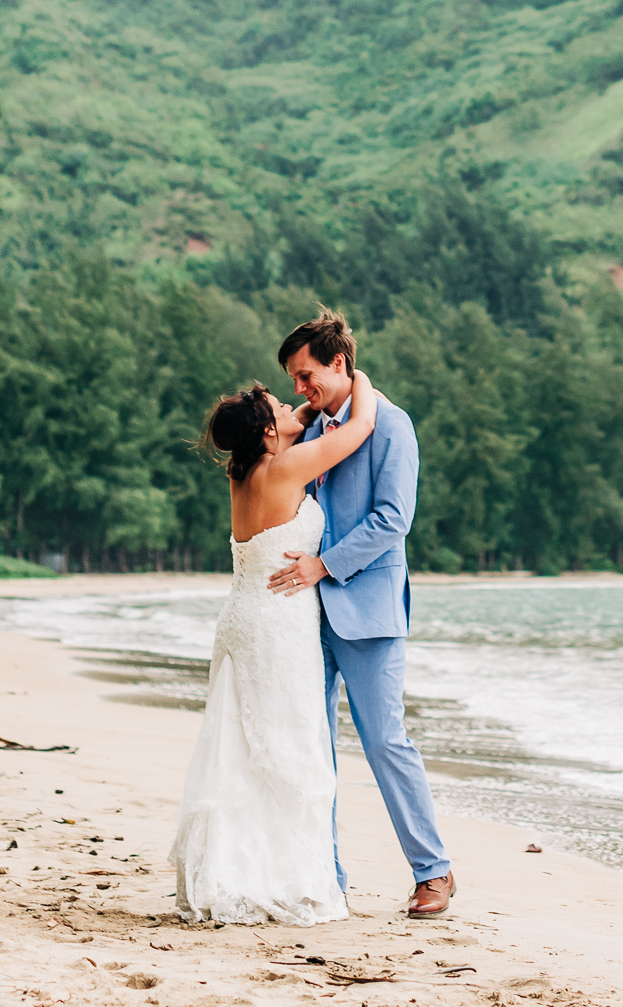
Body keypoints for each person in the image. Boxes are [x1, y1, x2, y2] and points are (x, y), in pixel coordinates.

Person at [168, 366, 379, 926]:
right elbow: (357, 429)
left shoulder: (248, 472)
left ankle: (236, 871)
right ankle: (284, 881)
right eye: (278, 406)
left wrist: (304, 408)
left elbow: (303, 419)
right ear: (268, 433)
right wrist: (356, 376)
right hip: (276, 629)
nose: (294, 406)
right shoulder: (286, 467)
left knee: (239, 748)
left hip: (241, 619)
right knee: (290, 750)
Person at [268, 310, 457, 919]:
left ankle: (434, 872)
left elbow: (392, 520)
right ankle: (328, 876)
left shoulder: (392, 426)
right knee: (313, 745)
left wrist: (324, 566)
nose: (301, 387)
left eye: (306, 375)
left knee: (385, 743)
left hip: (367, 609)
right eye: (295, 380)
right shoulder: (312, 428)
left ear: (339, 363)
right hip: (304, 613)